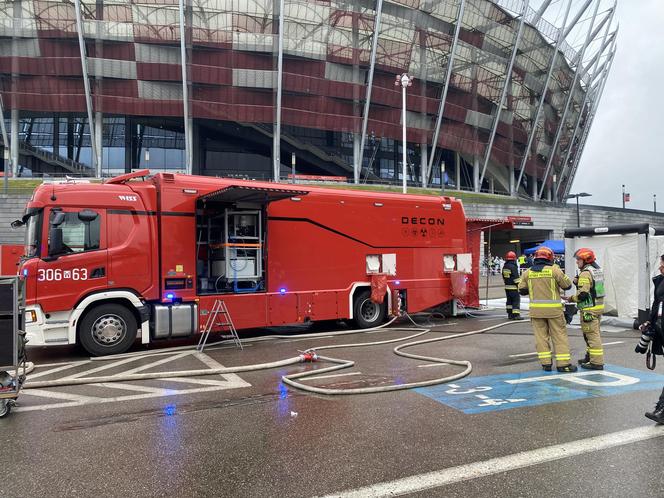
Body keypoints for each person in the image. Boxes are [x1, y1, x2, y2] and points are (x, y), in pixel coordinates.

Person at [518, 246, 577, 372]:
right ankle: (563, 364)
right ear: (550, 258)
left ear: (535, 258)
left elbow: (521, 290)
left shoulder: (527, 272)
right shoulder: (554, 270)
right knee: (559, 336)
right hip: (554, 311)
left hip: (536, 312)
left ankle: (546, 364)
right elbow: (567, 285)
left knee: (541, 338)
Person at [635, 254, 664, 423]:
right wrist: (650, 324)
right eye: (661, 264)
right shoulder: (660, 281)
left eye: (663, 264)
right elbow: (657, 306)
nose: (660, 267)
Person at [566, 248, 605, 370]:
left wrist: (570, 298)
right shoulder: (597, 270)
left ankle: (596, 362)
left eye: (579, 260)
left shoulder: (585, 273)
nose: (577, 262)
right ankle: (589, 357)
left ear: (585, 260)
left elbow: (583, 295)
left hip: (589, 309)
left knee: (592, 336)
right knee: (590, 335)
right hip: (598, 307)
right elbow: (594, 289)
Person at [502, 251, 523, 320]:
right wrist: (520, 286)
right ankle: (516, 315)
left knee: (509, 301)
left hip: (507, 287)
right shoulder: (513, 267)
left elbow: (504, 277)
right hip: (513, 287)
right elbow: (516, 278)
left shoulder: (505, 266)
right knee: (516, 300)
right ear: (514, 259)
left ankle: (510, 314)